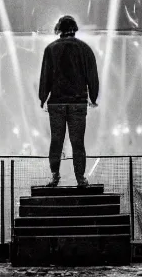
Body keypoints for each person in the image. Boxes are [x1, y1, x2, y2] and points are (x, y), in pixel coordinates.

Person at [39, 15, 99, 187]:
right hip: (78, 102)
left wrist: (43, 97)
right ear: (74, 28)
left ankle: (54, 176)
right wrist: (93, 97)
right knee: (78, 142)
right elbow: (92, 75)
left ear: (59, 29)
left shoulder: (50, 49)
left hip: (56, 102)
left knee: (56, 141)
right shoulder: (85, 49)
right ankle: (81, 178)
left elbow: (45, 76)